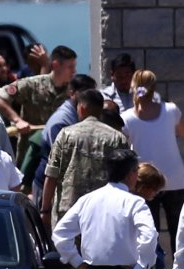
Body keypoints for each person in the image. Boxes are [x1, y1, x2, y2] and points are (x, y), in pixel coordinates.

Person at [121, 70, 184, 258]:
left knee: (147, 232)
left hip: (144, 181)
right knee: (180, 232)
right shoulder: (171, 110)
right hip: (175, 179)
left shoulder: (126, 118)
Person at [41, 89, 129, 229]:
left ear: (81, 108)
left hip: (68, 211)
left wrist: (45, 209)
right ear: (101, 110)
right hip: (104, 212)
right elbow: (127, 177)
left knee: (67, 249)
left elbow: (51, 175)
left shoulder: (66, 134)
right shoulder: (117, 137)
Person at [0, 45, 77, 164]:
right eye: (70, 67)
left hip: (62, 158)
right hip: (31, 156)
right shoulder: (33, 84)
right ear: (55, 65)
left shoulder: (74, 92)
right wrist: (17, 120)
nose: (74, 71)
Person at [33, 74, 97, 202]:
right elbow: (61, 160)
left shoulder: (80, 115)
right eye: (84, 92)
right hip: (49, 187)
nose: (88, 96)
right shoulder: (61, 121)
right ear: (72, 93)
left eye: (92, 92)